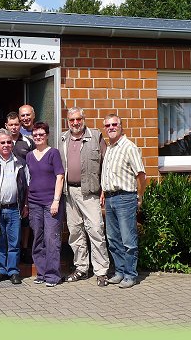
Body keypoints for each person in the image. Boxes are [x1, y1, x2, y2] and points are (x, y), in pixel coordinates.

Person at [60, 107, 110, 287]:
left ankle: (101, 271)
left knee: (96, 230)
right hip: (70, 193)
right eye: (72, 120)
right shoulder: (63, 139)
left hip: (90, 193)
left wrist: (104, 188)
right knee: (75, 232)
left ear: (83, 119)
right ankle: (81, 267)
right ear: (68, 121)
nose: (75, 123)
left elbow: (106, 163)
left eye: (78, 119)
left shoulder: (95, 137)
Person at [101, 114, 146, 289]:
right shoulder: (110, 148)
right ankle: (119, 271)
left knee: (128, 239)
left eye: (114, 124)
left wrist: (139, 197)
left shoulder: (129, 147)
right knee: (113, 238)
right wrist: (104, 191)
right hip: (111, 198)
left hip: (125, 197)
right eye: (108, 125)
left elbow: (141, 176)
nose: (111, 127)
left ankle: (130, 274)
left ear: (121, 126)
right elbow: (109, 175)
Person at [0, 128, 29, 285]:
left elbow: (27, 186)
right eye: (3, 142)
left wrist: (26, 204)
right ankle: (2, 271)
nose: (6, 145)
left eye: (9, 142)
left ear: (13, 143)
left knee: (14, 243)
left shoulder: (20, 163)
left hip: (15, 209)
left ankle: (13, 271)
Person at [26, 122, 65, 287]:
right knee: (38, 238)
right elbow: (28, 179)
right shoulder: (29, 155)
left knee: (52, 239)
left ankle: (53, 276)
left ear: (47, 135)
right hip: (34, 202)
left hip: (51, 202)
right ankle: (41, 272)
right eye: (35, 135)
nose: (38, 137)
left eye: (41, 134)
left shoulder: (53, 153)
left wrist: (56, 201)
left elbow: (60, 176)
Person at [4, 111, 35, 263]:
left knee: (25, 220)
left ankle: (24, 249)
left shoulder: (28, 142)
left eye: (17, 124)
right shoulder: (3, 141)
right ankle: (8, 251)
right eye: (11, 125)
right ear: (6, 126)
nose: (14, 127)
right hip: (7, 188)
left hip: (24, 187)